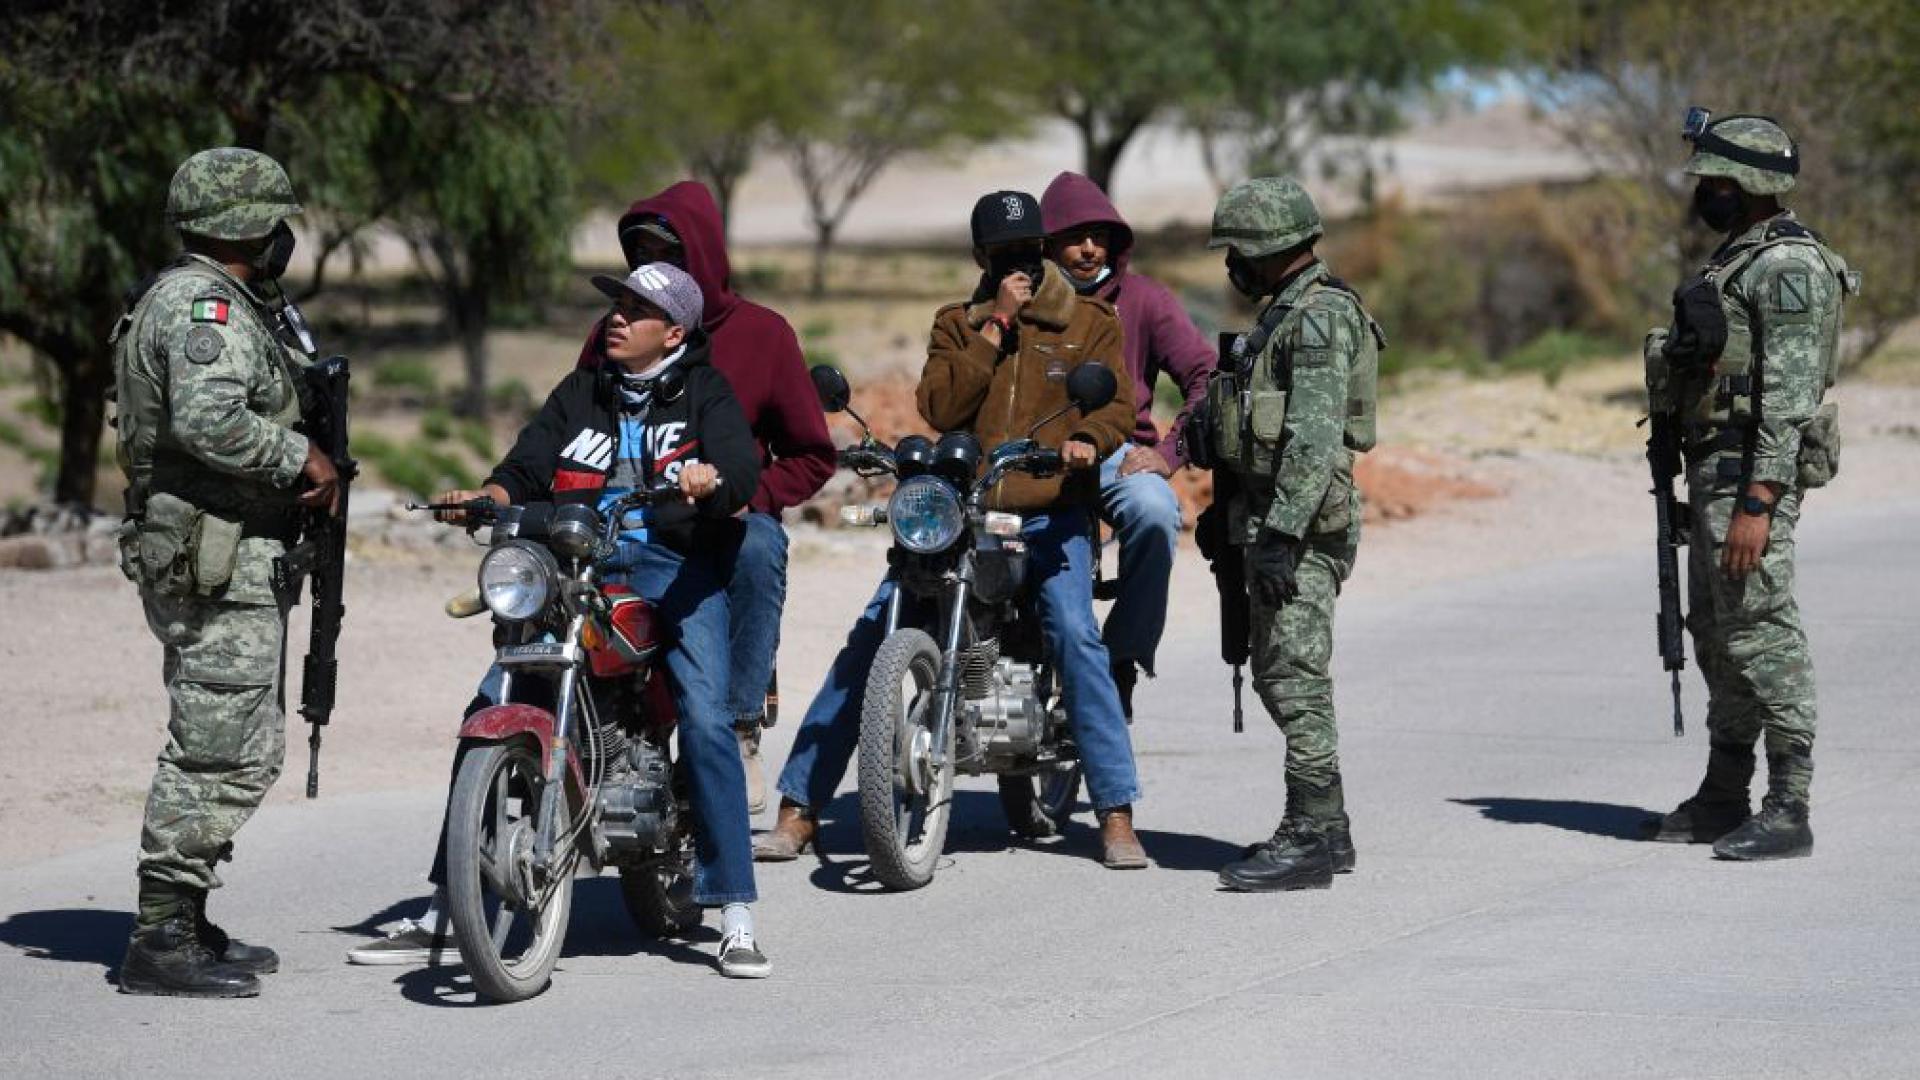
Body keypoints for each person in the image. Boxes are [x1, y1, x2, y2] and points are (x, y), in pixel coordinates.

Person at [363, 264, 774, 977]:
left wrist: (710, 479)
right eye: (616, 305)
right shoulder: (582, 390)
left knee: (706, 719)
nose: (616, 317)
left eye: (635, 309)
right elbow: (525, 466)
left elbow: (739, 467)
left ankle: (735, 909)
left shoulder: (706, 392)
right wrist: (485, 495)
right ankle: (447, 902)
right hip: (572, 567)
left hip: (671, 566)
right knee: (492, 700)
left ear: (672, 332)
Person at [756, 190, 1149, 869]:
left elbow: (1115, 404)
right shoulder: (956, 325)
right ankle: (801, 808)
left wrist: (1087, 438)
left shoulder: (1091, 321)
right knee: (872, 632)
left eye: (1027, 252)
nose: (1018, 265)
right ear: (980, 258)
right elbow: (941, 404)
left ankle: (1115, 812)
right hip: (963, 512)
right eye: (1002, 255)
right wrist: (994, 327)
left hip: (1051, 510)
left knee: (1076, 636)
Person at [110, 147, 340, 997]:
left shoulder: (223, 300)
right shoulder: (204, 306)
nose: (282, 237)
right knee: (217, 751)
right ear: (248, 226)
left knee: (237, 738)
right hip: (215, 554)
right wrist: (302, 459)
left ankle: (188, 919)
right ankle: (158, 939)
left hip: (224, 547)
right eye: (274, 222)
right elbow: (211, 424)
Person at [579, 183, 835, 815]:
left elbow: (811, 453)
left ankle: (740, 727)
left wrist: (757, 497)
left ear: (703, 257)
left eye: (667, 256)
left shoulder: (763, 335)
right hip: (628, 514)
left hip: (722, 517)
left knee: (758, 546)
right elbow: (569, 425)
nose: (652, 272)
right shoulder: (616, 333)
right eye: (639, 258)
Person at [1643, 113, 1853, 861]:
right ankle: (1725, 791)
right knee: (1718, 633)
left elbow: (1788, 401)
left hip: (1747, 474)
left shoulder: (1788, 266)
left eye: (1716, 181)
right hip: (1714, 468)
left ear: (1750, 185)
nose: (1705, 192)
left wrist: (1760, 502)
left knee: (1762, 630)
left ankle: (1789, 803)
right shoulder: (1740, 258)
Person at [1199, 178, 1382, 893]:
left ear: (1272, 247)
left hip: (1300, 528)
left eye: (1239, 250)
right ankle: (1328, 827)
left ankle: (1308, 832)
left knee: (1295, 679)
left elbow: (1312, 440)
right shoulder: (1288, 313)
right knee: (1281, 672)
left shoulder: (1316, 319)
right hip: (1274, 520)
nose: (1233, 265)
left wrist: (1278, 535)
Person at [1039, 172, 1215, 719]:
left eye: (1100, 235)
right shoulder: (1023, 299)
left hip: (1119, 454)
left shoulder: (1145, 299)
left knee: (1156, 512)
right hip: (1036, 455)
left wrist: (1168, 453)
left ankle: (1121, 660)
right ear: (1046, 244)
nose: (1089, 248)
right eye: (1074, 235)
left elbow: (1205, 375)